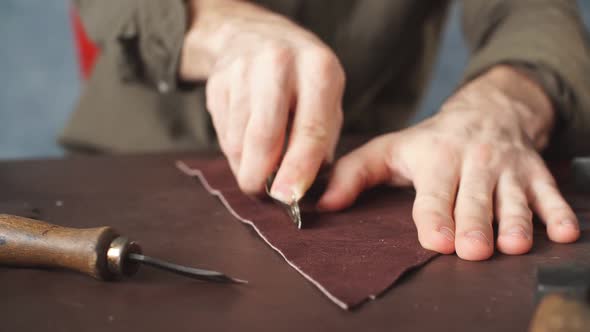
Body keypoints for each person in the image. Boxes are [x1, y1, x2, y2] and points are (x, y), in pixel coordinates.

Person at [67, 0, 590, 261]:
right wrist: (221, 28)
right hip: (128, 161)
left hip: (358, 167)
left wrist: (498, 107)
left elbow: (532, 10)